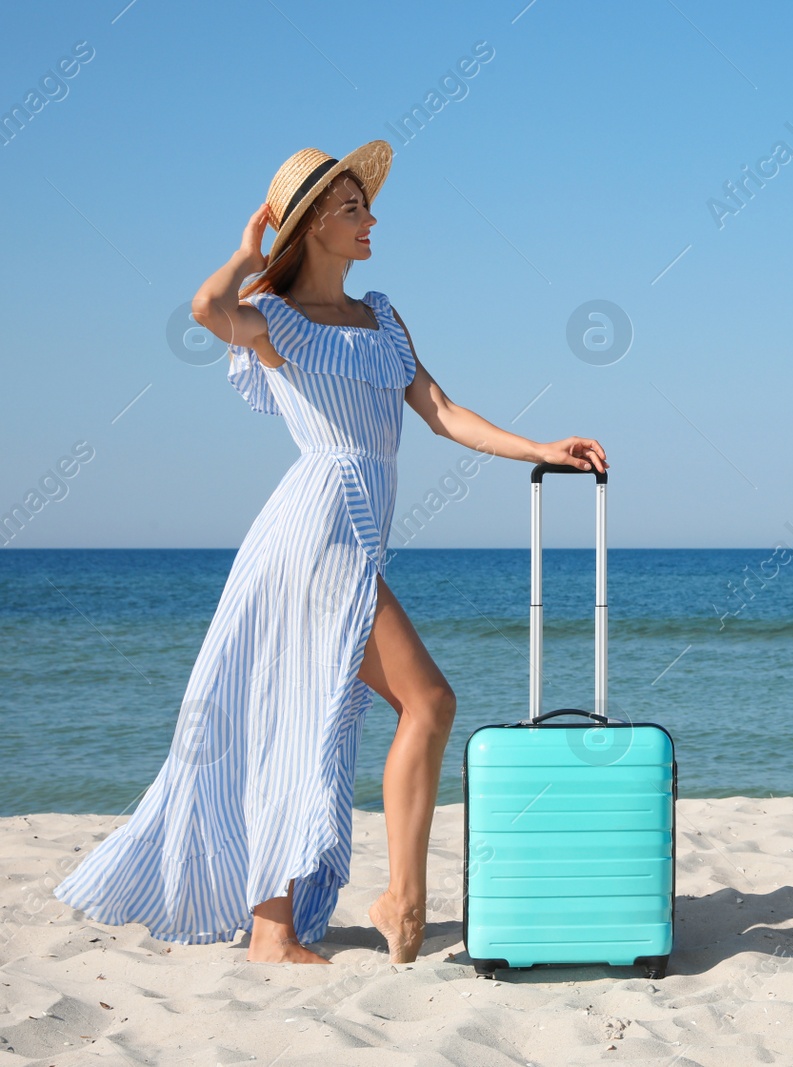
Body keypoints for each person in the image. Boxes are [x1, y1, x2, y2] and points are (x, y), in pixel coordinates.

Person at [53, 140, 607, 965]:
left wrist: (542, 447)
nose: (370, 219)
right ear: (311, 226)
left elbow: (442, 409)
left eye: (365, 205)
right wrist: (249, 251)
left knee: (300, 715)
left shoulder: (382, 315)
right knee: (429, 701)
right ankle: (398, 900)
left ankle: (275, 930)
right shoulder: (276, 323)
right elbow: (206, 310)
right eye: (351, 208)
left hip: (350, 529)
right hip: (313, 531)